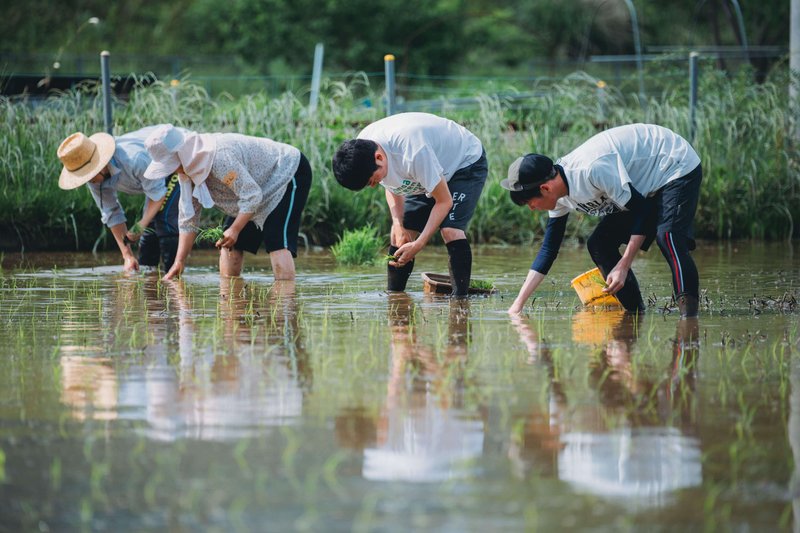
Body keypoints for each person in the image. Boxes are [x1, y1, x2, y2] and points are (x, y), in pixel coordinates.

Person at [504, 123, 702, 318]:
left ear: (545, 189)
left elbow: (644, 211)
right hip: (640, 188)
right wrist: (517, 306)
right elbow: (549, 249)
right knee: (599, 244)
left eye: (530, 202)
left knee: (668, 237)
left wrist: (623, 266)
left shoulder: (592, 170)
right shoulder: (557, 196)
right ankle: (635, 315)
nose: (531, 208)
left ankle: (689, 323)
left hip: (672, 162)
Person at [332, 112, 488, 296]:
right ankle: (395, 299)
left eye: (372, 181)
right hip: (424, 173)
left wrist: (420, 243)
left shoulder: (413, 152)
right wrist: (397, 223)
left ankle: (460, 304)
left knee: (450, 231)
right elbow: (392, 185)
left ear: (379, 158)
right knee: (401, 234)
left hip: (463, 162)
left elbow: (444, 201)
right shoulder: (361, 149)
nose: (373, 186)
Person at [143, 124, 312, 281]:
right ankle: (230, 304)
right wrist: (179, 261)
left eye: (170, 165)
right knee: (229, 245)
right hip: (253, 188)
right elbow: (189, 219)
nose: (171, 170)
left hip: (286, 173)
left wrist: (235, 229)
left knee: (276, 240)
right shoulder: (188, 172)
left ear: (181, 154)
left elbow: (252, 195)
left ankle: (285, 307)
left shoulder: (219, 158)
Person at [57, 126, 182, 272]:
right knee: (149, 229)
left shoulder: (134, 159)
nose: (88, 181)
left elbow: (158, 195)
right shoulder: (95, 181)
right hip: (154, 181)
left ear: (99, 166)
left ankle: (173, 279)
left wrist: (140, 225)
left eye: (88, 175)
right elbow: (111, 213)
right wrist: (127, 256)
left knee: (164, 221)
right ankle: (150, 280)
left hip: (173, 163)